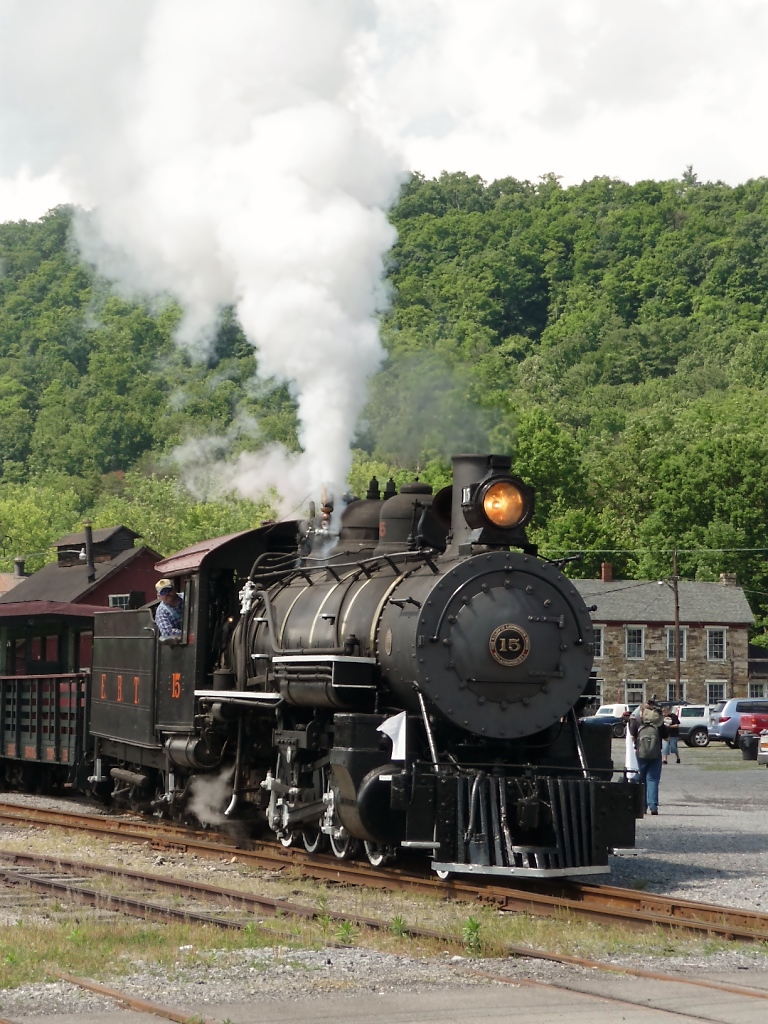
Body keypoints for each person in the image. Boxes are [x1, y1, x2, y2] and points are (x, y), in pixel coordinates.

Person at [629, 700, 669, 815]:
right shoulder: (658, 723)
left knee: (641, 780)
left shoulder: (637, 722)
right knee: (653, 780)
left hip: (640, 754)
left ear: (642, 711)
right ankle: (653, 806)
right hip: (655, 754)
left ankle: (642, 807)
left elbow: (632, 737)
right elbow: (666, 738)